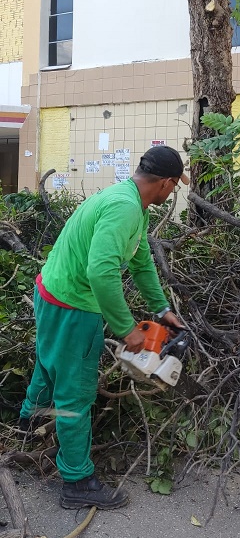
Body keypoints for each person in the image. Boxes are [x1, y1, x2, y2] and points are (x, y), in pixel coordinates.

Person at [19, 146, 189, 510]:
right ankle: (77, 481)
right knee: (75, 393)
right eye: (174, 187)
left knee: (49, 363)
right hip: (73, 306)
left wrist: (162, 309)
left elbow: (141, 262)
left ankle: (29, 421)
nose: (172, 193)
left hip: (52, 290)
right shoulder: (124, 208)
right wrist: (127, 330)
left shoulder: (130, 203)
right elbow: (100, 272)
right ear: (166, 182)